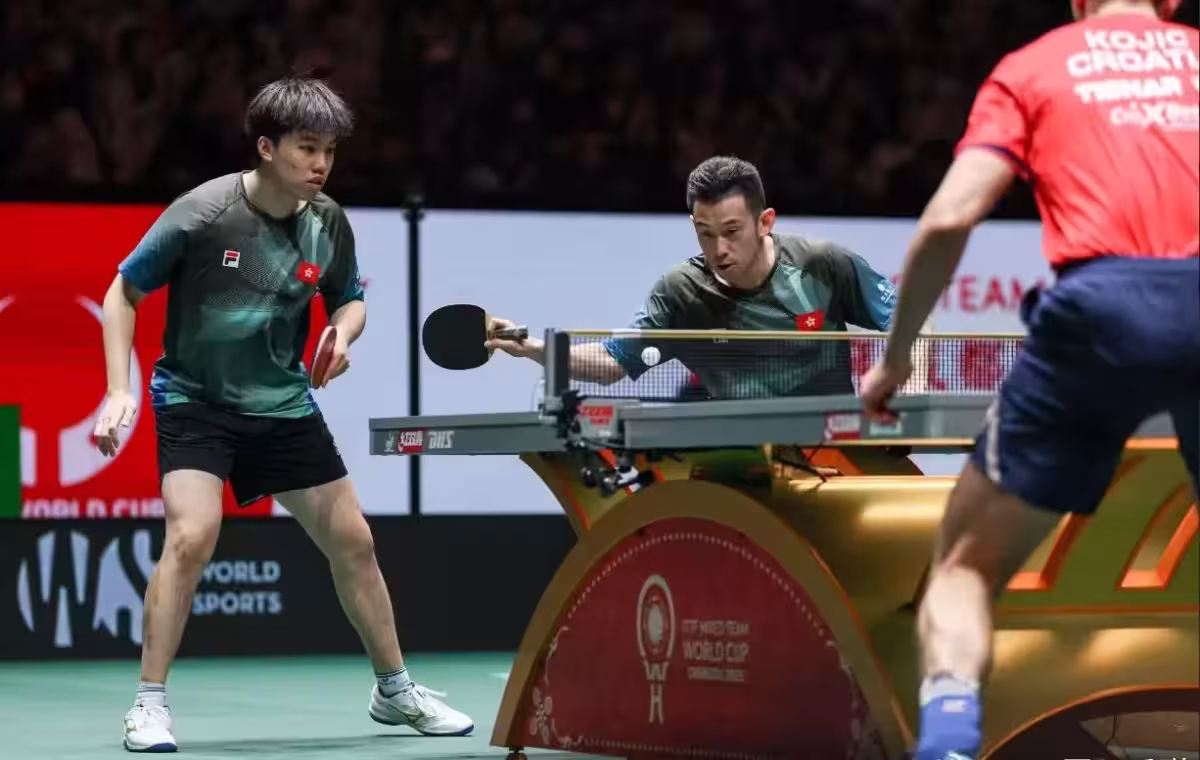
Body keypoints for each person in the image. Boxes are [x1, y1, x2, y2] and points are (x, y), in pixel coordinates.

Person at [93, 76, 474, 753]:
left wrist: (342, 334)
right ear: (267, 147)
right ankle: (148, 705)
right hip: (197, 403)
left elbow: (349, 297)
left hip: (283, 404)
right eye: (306, 148)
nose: (320, 164)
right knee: (191, 537)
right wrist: (117, 390)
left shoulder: (327, 221)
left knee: (354, 542)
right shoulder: (203, 212)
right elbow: (123, 291)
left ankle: (394, 691)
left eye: (329, 150)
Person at [858, 1, 1198, 758]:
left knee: (962, 568)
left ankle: (948, 744)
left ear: (1078, 1)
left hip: (1100, 313)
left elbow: (948, 220)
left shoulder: (1034, 67)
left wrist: (897, 355)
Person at [487, 155, 899, 399]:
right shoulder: (682, 292)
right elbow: (613, 361)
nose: (719, 249)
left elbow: (906, 320)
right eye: (705, 233)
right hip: (744, 464)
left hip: (835, 449)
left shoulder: (821, 264)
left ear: (765, 222)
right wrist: (532, 348)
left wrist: (907, 391)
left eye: (732, 231)